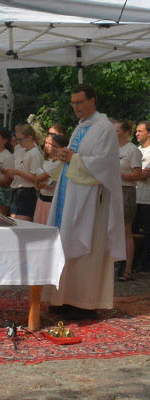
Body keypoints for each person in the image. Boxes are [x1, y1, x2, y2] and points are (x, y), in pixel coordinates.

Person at [44, 85, 125, 318]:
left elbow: (105, 164)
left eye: (80, 102)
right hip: (69, 197)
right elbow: (74, 155)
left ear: (93, 101)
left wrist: (74, 158)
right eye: (73, 103)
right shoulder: (82, 127)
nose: (76, 107)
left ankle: (83, 304)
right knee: (65, 246)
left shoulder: (104, 128)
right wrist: (65, 156)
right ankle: (63, 298)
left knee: (86, 253)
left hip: (91, 202)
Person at [114, 120, 142, 281]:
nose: (114, 133)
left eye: (117, 130)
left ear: (126, 132)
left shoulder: (132, 150)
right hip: (112, 191)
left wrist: (118, 175)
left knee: (125, 230)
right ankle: (113, 265)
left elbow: (137, 175)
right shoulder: (112, 149)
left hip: (126, 191)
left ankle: (128, 269)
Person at [3, 124, 43, 221]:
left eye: (21, 139)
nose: (19, 142)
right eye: (17, 139)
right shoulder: (21, 150)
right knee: (13, 221)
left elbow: (35, 178)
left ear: (29, 137)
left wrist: (17, 172)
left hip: (28, 192)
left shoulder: (35, 153)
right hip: (16, 190)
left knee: (22, 223)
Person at [33, 134, 67, 225]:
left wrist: (40, 183)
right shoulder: (48, 161)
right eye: (47, 143)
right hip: (42, 198)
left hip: (50, 201)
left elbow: (42, 179)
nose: (49, 146)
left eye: (55, 146)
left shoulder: (59, 163)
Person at [134, 120, 150, 272]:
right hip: (135, 197)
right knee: (133, 232)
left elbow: (145, 175)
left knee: (147, 233)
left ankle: (145, 265)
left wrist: (132, 174)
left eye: (140, 131)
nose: (137, 134)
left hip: (147, 199)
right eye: (136, 131)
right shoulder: (136, 150)